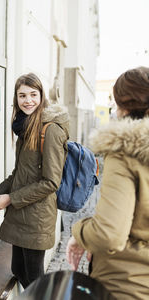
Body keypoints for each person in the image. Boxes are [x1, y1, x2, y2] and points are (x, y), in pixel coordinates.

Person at [0, 72, 69, 288]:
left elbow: (51, 182)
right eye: (22, 95)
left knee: (33, 282)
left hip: (36, 219)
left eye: (33, 94)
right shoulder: (25, 127)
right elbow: (18, 174)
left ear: (42, 96)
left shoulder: (49, 130)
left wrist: (10, 199)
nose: (28, 100)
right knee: (19, 272)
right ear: (16, 99)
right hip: (21, 215)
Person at [66, 66, 149, 300]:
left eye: (115, 102)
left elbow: (109, 234)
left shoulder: (126, 151)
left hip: (126, 286)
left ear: (124, 107)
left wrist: (79, 233)